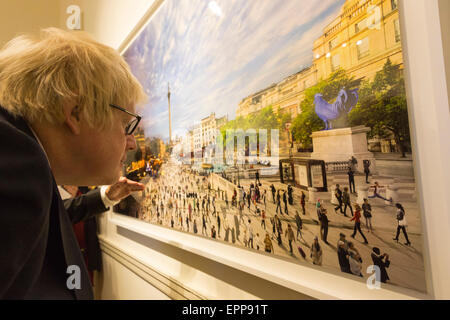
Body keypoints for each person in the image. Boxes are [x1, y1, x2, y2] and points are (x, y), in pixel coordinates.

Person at [0, 28, 147, 299]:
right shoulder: (15, 160)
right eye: (126, 125)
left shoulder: (27, 161)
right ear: (75, 112)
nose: (132, 143)